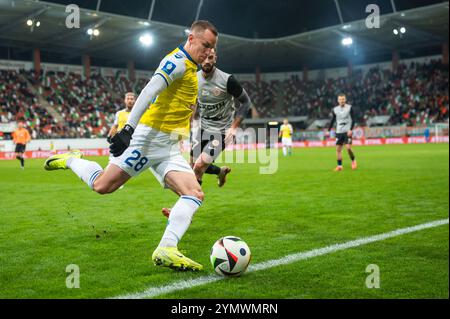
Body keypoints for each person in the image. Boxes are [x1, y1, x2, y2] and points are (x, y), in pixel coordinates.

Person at [44, 20, 218, 272]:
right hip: (148, 140)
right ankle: (72, 159)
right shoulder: (177, 62)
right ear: (191, 39)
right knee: (103, 186)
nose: (209, 52)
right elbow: (148, 91)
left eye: (212, 47)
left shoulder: (192, 66)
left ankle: (167, 248)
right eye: (205, 45)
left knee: (194, 193)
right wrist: (128, 128)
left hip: (169, 145)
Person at [162, 47, 253, 218]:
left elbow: (246, 103)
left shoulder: (227, 80)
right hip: (202, 129)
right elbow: (192, 105)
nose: (207, 61)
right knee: (192, 167)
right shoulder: (193, 79)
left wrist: (234, 128)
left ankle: (181, 211)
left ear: (215, 58)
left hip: (222, 132)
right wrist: (184, 131)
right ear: (199, 58)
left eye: (211, 57)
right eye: (204, 58)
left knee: (199, 166)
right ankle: (220, 172)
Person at [326, 93, 357, 171]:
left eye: (343, 99)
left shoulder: (350, 108)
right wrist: (328, 130)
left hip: (347, 131)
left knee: (348, 148)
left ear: (345, 99)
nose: (342, 101)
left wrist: (351, 129)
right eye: (340, 99)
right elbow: (333, 120)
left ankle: (353, 160)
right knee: (338, 149)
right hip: (339, 132)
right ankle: (339, 166)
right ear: (338, 100)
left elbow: (353, 119)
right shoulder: (335, 109)